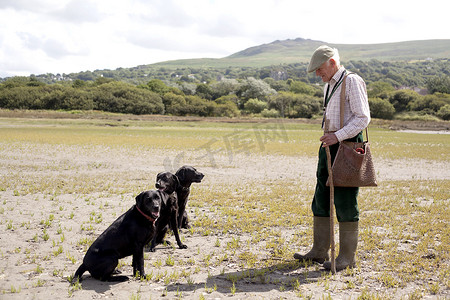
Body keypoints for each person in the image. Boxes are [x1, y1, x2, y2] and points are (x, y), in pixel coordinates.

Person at [294, 45, 371, 271]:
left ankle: (347, 257)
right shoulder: (329, 85)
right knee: (321, 195)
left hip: (346, 146)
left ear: (332, 63)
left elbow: (362, 118)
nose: (318, 74)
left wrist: (337, 136)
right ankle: (319, 251)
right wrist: (331, 138)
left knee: (345, 198)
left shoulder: (352, 81)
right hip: (329, 145)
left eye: (319, 69)